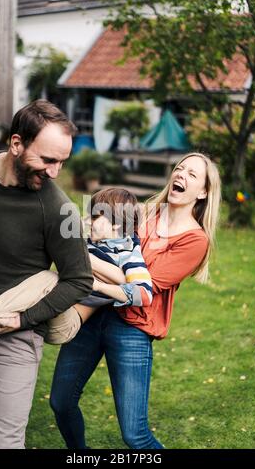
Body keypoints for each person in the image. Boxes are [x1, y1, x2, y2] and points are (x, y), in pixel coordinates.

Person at [50, 152, 221, 449]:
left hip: (132, 328)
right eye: (180, 169)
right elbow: (94, 226)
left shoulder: (196, 240)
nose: (181, 175)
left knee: (135, 435)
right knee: (61, 403)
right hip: (93, 313)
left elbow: (144, 286)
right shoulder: (143, 212)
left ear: (204, 191)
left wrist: (84, 259)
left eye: (192, 174)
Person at [0, 99, 93, 449]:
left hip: (14, 341)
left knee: (4, 442)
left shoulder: (61, 209)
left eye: (62, 162)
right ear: (16, 143)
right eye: (48, 160)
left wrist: (22, 319)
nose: (54, 172)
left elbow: (80, 279)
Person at [0, 188, 153, 344]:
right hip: (49, 308)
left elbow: (144, 294)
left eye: (95, 217)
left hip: (67, 323)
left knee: (51, 279)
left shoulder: (128, 252)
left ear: (116, 224)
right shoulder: (91, 243)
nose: (89, 221)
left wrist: (97, 285)